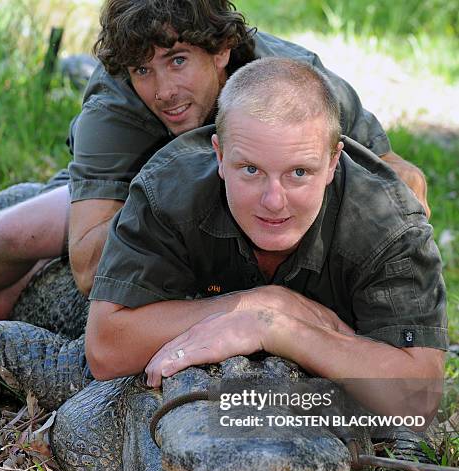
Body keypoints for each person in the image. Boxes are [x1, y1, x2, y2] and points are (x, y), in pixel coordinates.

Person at [0, 0, 429, 322]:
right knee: (18, 233)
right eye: (144, 70)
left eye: (177, 61)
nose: (163, 91)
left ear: (221, 50)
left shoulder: (295, 78)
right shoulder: (115, 103)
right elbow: (89, 269)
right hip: (126, 192)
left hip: (226, 194)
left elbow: (400, 175)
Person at [85, 58, 447, 421]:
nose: (274, 201)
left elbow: (419, 399)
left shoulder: (387, 222)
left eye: (299, 172)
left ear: (333, 161)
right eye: (251, 170)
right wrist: (260, 301)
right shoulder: (168, 189)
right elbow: (105, 348)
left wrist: (272, 327)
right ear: (220, 156)